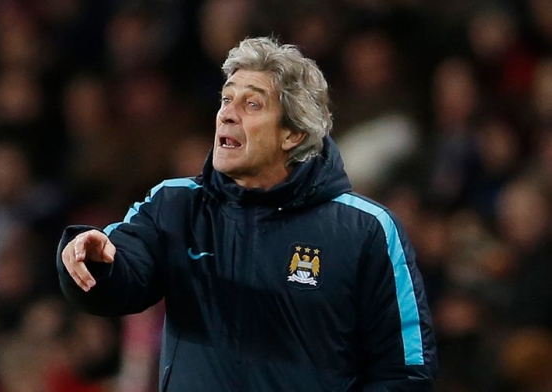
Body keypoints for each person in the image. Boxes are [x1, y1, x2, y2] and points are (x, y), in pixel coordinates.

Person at [57, 36, 437, 391]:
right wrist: (96, 260)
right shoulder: (174, 205)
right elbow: (124, 275)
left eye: (251, 104)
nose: (227, 114)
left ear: (292, 134)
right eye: (226, 99)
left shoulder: (366, 230)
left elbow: (404, 369)